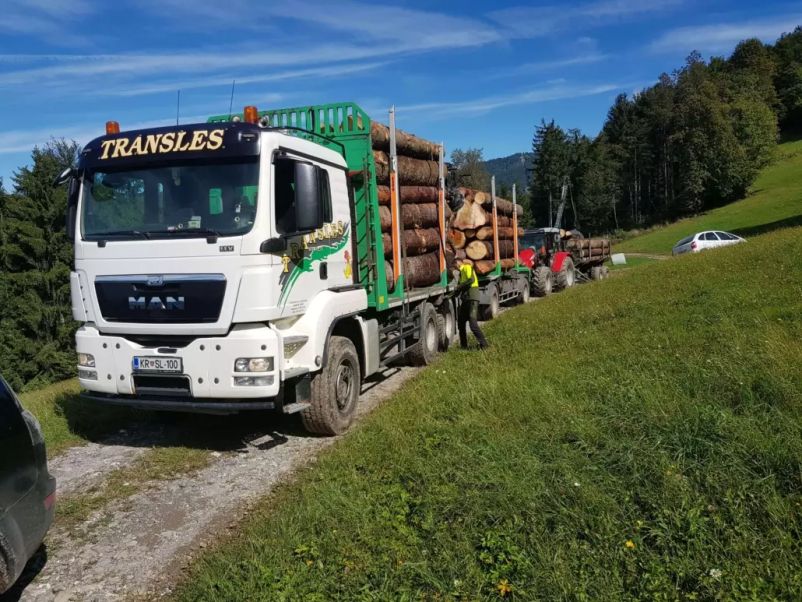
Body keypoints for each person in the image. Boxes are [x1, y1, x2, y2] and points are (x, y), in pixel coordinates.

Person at [457, 262, 488, 350]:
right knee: (461, 323)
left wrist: (460, 286)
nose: (454, 268)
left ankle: (484, 345)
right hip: (466, 299)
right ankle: (463, 346)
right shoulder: (461, 272)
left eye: (454, 265)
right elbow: (462, 287)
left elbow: (471, 280)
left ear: (457, 263)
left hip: (472, 299)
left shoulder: (466, 267)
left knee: (473, 324)